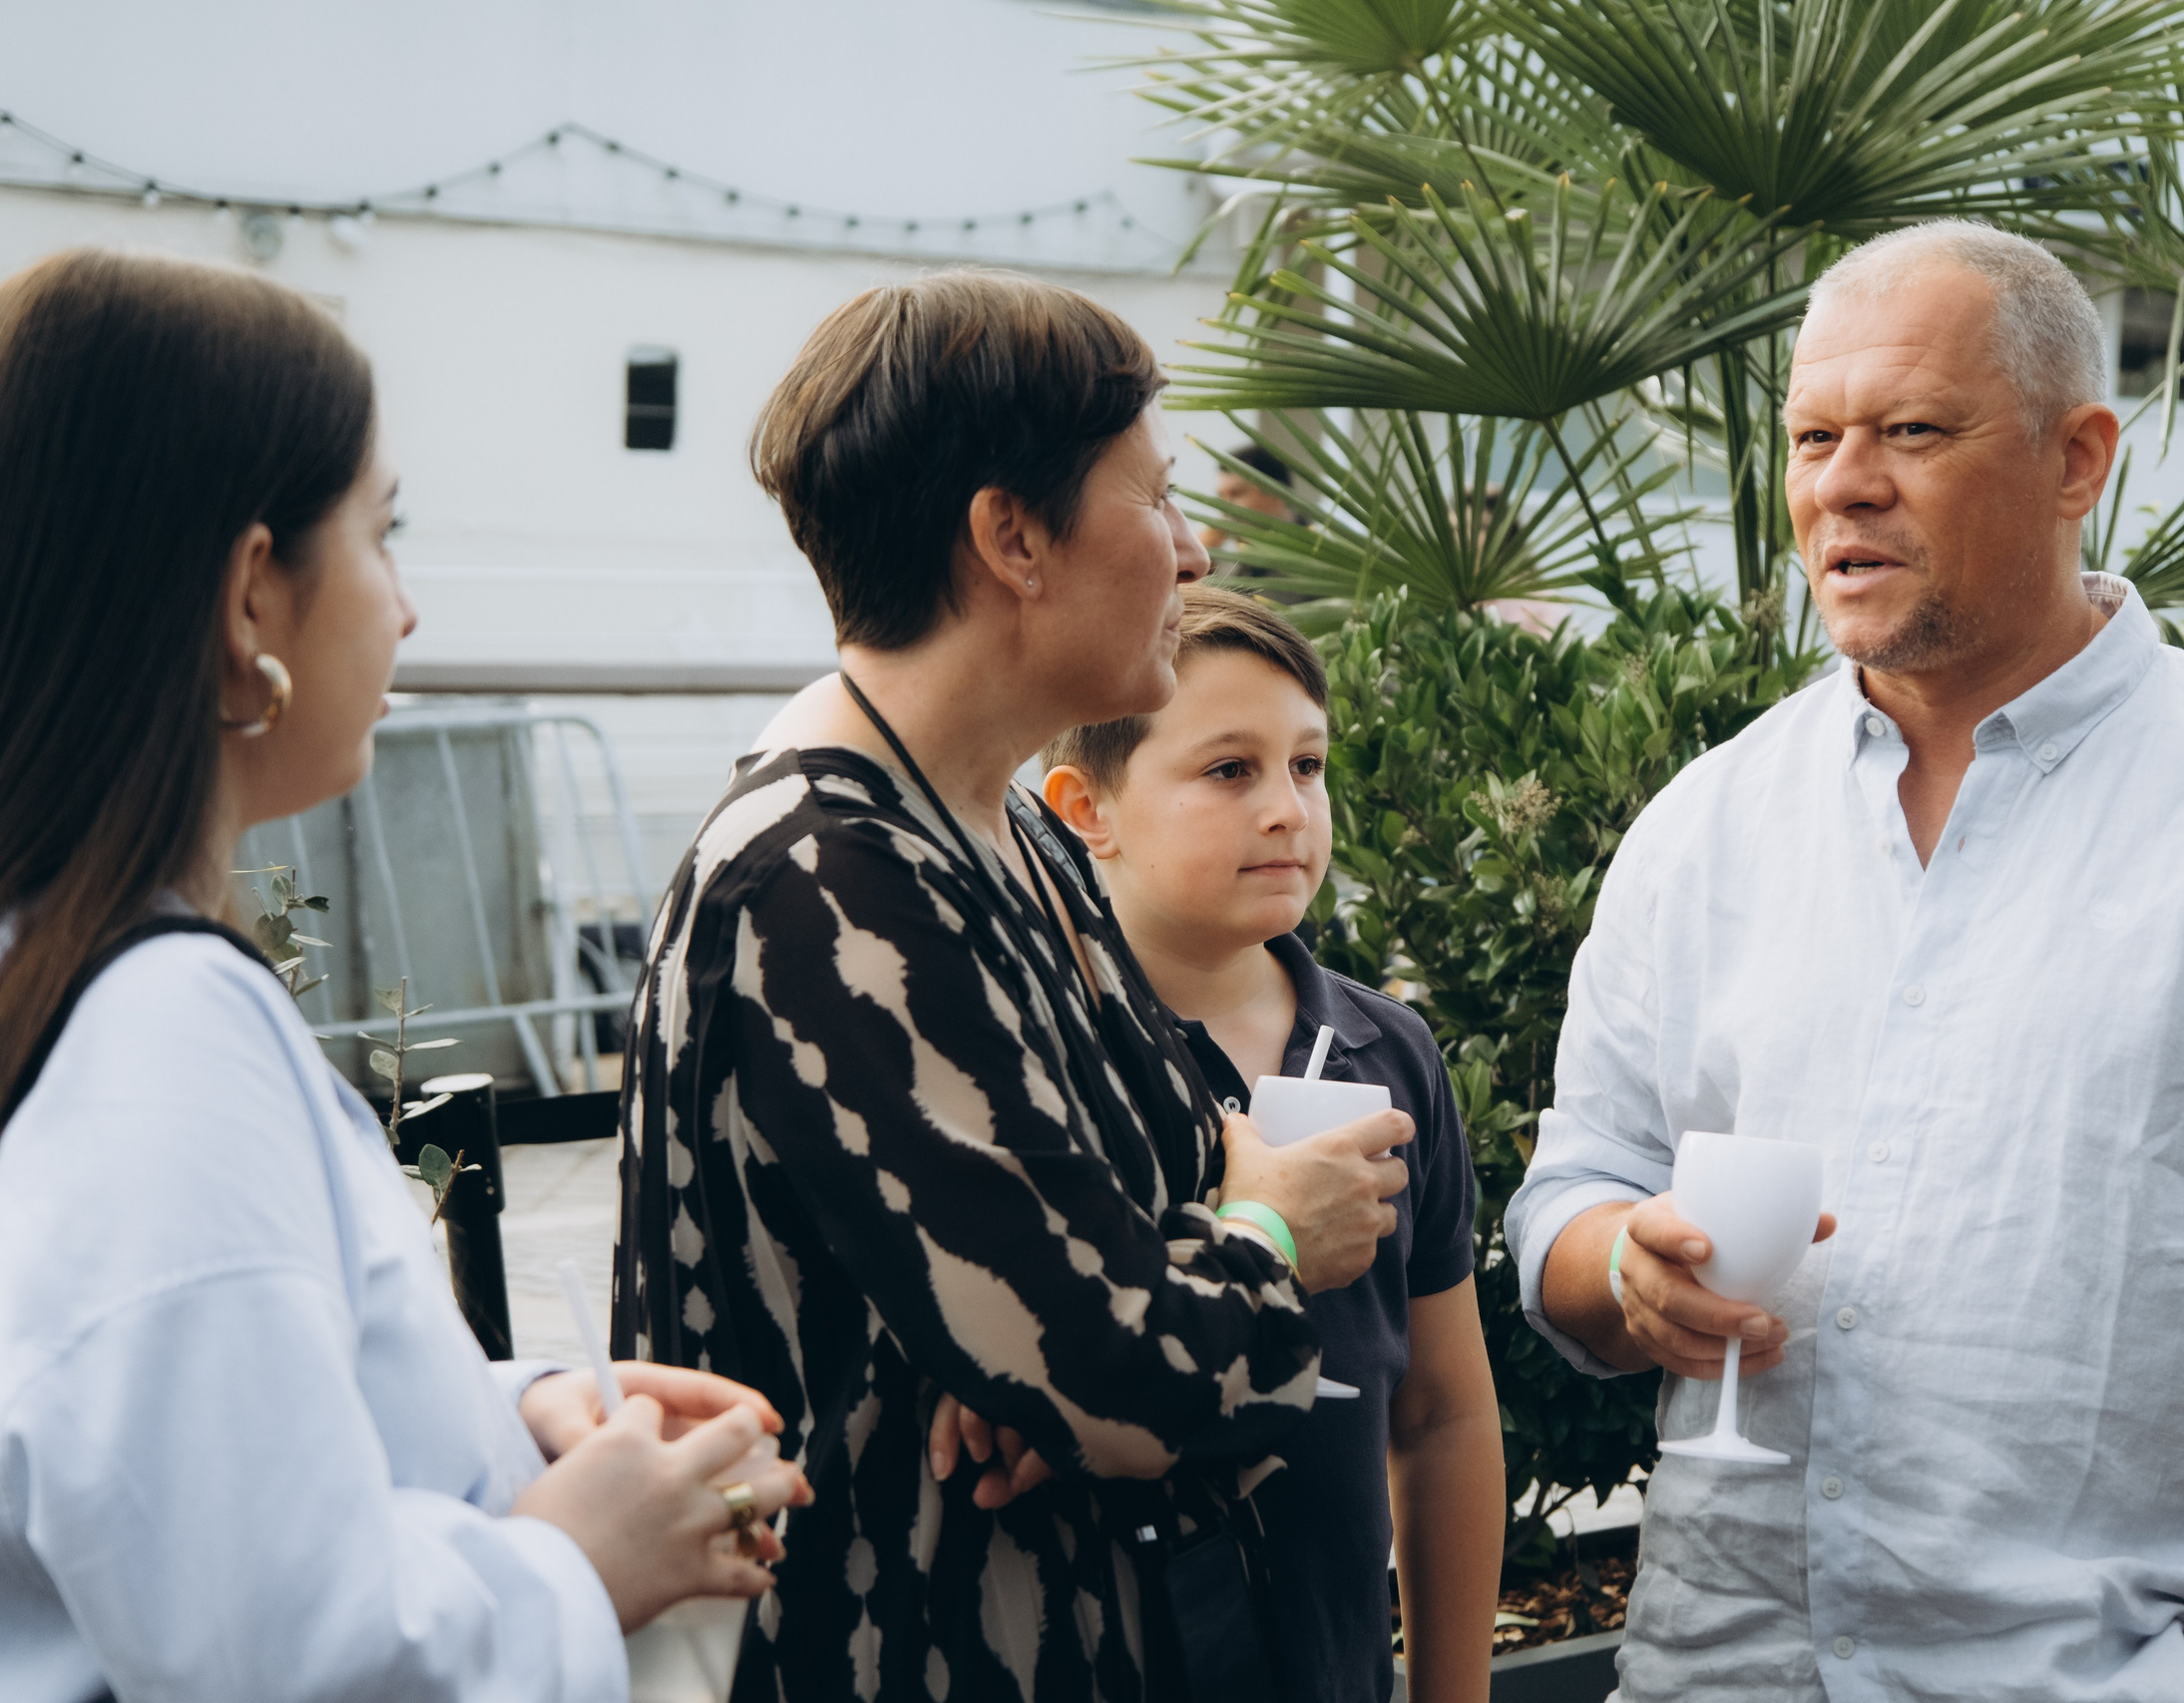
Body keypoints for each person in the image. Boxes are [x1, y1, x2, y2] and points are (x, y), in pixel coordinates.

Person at [1507, 220, 2184, 1702]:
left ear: (2076, 458)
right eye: (1811, 437)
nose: (1843, 482)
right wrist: (1623, 1268)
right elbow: (1574, 1189)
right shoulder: (1707, 821)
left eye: (1912, 429)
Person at [0, 249, 807, 1703]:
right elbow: (280, 1651)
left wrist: (521, 1413)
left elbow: (190, 1442)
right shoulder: (160, 1032)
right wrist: (582, 1553)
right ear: (255, 594)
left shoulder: (82, 980)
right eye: (383, 533)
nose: (410, 607)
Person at [610, 271, 1414, 1702]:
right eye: (1155, 499)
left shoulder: (1002, 825)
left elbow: (1093, 1291)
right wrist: (1264, 1237)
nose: (1193, 546)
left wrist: (1067, 1354)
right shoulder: (824, 883)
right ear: (1012, 536)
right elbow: (1124, 1363)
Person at [1039, 585, 1505, 1703]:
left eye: (1308, 765)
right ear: (1084, 810)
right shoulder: (1049, 1055)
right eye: (1228, 771)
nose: (1288, 809)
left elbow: (1443, 1410)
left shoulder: (1388, 1051)